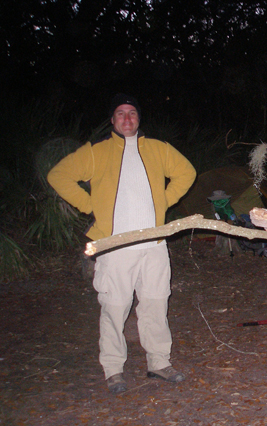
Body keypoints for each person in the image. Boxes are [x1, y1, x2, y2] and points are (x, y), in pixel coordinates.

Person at [47, 94, 197, 393]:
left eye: (132, 113)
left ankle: (159, 363)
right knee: (115, 308)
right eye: (120, 113)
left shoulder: (157, 149)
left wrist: (164, 200)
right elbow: (58, 175)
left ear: (139, 118)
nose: (127, 118)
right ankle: (114, 369)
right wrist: (89, 204)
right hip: (115, 247)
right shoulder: (96, 152)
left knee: (156, 304)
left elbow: (187, 172)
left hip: (153, 244)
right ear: (112, 120)